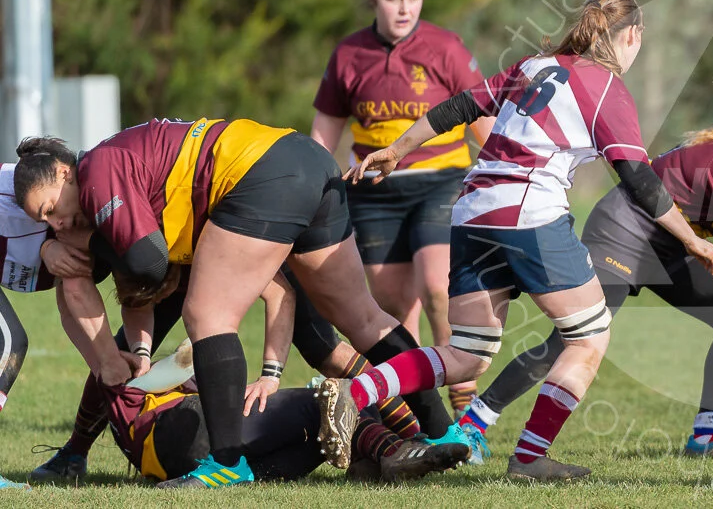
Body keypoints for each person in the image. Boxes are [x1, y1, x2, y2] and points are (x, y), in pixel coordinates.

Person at [318, 0, 713, 482]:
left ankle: (353, 393)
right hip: (529, 215)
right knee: (590, 337)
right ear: (632, 35)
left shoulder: (533, 65)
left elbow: (460, 107)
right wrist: (692, 238)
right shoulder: (607, 90)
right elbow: (637, 178)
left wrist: (397, 148)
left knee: (466, 354)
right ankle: (530, 456)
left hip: (471, 213)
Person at [12, 121, 461, 489]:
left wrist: (88, 245)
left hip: (259, 176)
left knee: (207, 316)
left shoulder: (95, 171)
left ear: (64, 173)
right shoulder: (117, 178)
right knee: (362, 318)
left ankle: (226, 462)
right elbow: (144, 284)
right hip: (306, 161)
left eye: (52, 208)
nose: (56, 224)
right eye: (43, 222)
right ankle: (442, 428)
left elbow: (147, 263)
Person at [454, 76, 713, 461]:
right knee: (574, 339)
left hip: (673, 245)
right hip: (623, 233)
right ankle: (472, 425)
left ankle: (708, 435)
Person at [311, 0, 489, 412]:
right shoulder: (349, 55)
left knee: (437, 285)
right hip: (375, 190)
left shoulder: (446, 47)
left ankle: (465, 409)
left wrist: (505, 170)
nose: (405, 8)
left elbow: (482, 118)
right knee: (391, 308)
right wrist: (312, 188)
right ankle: (420, 410)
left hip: (442, 181)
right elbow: (324, 135)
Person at [93, 341, 467, 485]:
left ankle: (374, 456)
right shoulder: (132, 381)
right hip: (183, 430)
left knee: (324, 438)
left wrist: (74, 451)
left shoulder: (121, 389)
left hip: (172, 461)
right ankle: (391, 452)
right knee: (321, 400)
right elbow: (190, 358)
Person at [1, 151, 102, 491]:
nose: (58, 222)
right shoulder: (23, 191)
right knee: (7, 343)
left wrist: (108, 370)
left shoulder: (80, 214)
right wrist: (46, 251)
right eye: (46, 214)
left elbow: (71, 306)